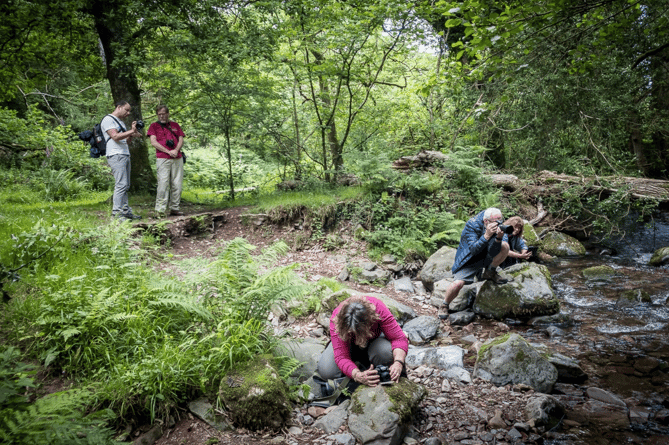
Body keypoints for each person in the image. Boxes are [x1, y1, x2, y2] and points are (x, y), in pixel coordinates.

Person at [317, 295, 408, 387]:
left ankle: (376, 367)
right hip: (348, 346)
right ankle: (355, 372)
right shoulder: (337, 319)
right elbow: (341, 356)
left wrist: (398, 362)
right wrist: (356, 375)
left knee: (385, 352)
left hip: (374, 341)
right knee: (327, 371)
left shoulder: (378, 308)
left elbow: (399, 338)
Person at [438, 207, 511, 319]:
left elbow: (493, 252)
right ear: (486, 221)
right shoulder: (472, 225)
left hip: (486, 257)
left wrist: (498, 239)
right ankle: (444, 305)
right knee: (458, 284)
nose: (498, 224)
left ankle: (490, 271)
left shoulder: (499, 226)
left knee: (505, 246)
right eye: (495, 222)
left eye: (500, 221)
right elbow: (473, 250)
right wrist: (486, 235)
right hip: (470, 259)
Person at [102, 100, 142, 220]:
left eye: (129, 111)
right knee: (121, 184)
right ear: (119, 107)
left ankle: (125, 211)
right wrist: (132, 131)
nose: (128, 113)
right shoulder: (108, 119)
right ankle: (116, 213)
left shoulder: (121, 123)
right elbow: (115, 137)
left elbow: (126, 141)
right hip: (116, 154)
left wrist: (131, 134)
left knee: (126, 185)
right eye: (127, 110)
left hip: (124, 154)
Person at [146, 105, 186, 217]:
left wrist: (176, 150)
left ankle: (175, 208)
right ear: (157, 115)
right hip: (163, 158)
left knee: (177, 184)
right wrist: (168, 152)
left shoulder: (175, 125)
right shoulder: (153, 126)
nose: (162, 116)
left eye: (164, 113)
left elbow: (181, 139)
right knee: (163, 184)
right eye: (159, 114)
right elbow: (153, 142)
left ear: (168, 114)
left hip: (177, 158)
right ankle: (160, 210)